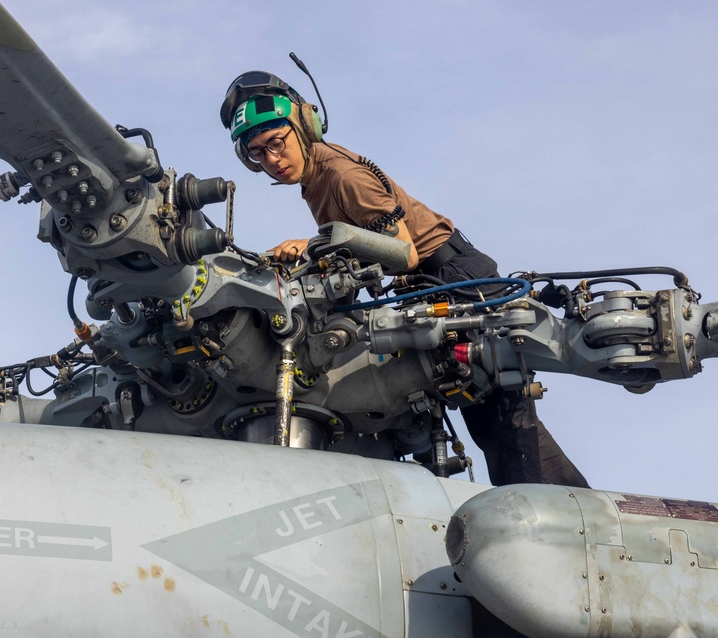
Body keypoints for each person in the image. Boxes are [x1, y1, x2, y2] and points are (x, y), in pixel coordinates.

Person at [220, 71, 589, 489]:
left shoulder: (342, 176)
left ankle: (544, 522)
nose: (271, 159)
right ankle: (581, 509)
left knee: (504, 425)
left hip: (455, 278)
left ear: (304, 128)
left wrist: (311, 246)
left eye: (276, 143)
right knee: (500, 429)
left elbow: (403, 250)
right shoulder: (314, 180)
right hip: (432, 286)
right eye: (257, 153)